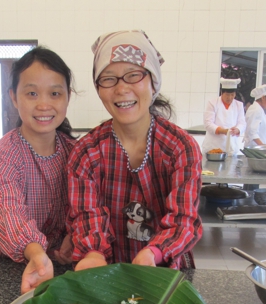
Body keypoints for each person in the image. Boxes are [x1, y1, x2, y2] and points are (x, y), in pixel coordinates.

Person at [67, 30, 202, 271]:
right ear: (98, 88)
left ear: (153, 81)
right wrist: (93, 254)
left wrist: (153, 252)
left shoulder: (180, 147)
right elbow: (88, 217)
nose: (121, 89)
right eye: (108, 78)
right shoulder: (86, 152)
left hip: (163, 271)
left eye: (133, 75)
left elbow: (183, 220)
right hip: (107, 272)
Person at [0, 46, 76, 293]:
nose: (44, 105)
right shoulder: (0, 157)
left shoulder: (77, 153)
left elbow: (87, 207)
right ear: (13, 97)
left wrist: (75, 234)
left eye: (55, 93)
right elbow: (7, 213)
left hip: (60, 270)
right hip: (5, 271)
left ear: (68, 97)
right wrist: (35, 252)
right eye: (32, 93)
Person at [202, 77, 246, 156]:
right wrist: (223, 131)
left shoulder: (239, 105)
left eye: (232, 95)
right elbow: (208, 123)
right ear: (222, 93)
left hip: (231, 146)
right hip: (213, 146)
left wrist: (238, 129)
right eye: (227, 95)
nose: (230, 98)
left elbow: (242, 123)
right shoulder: (212, 103)